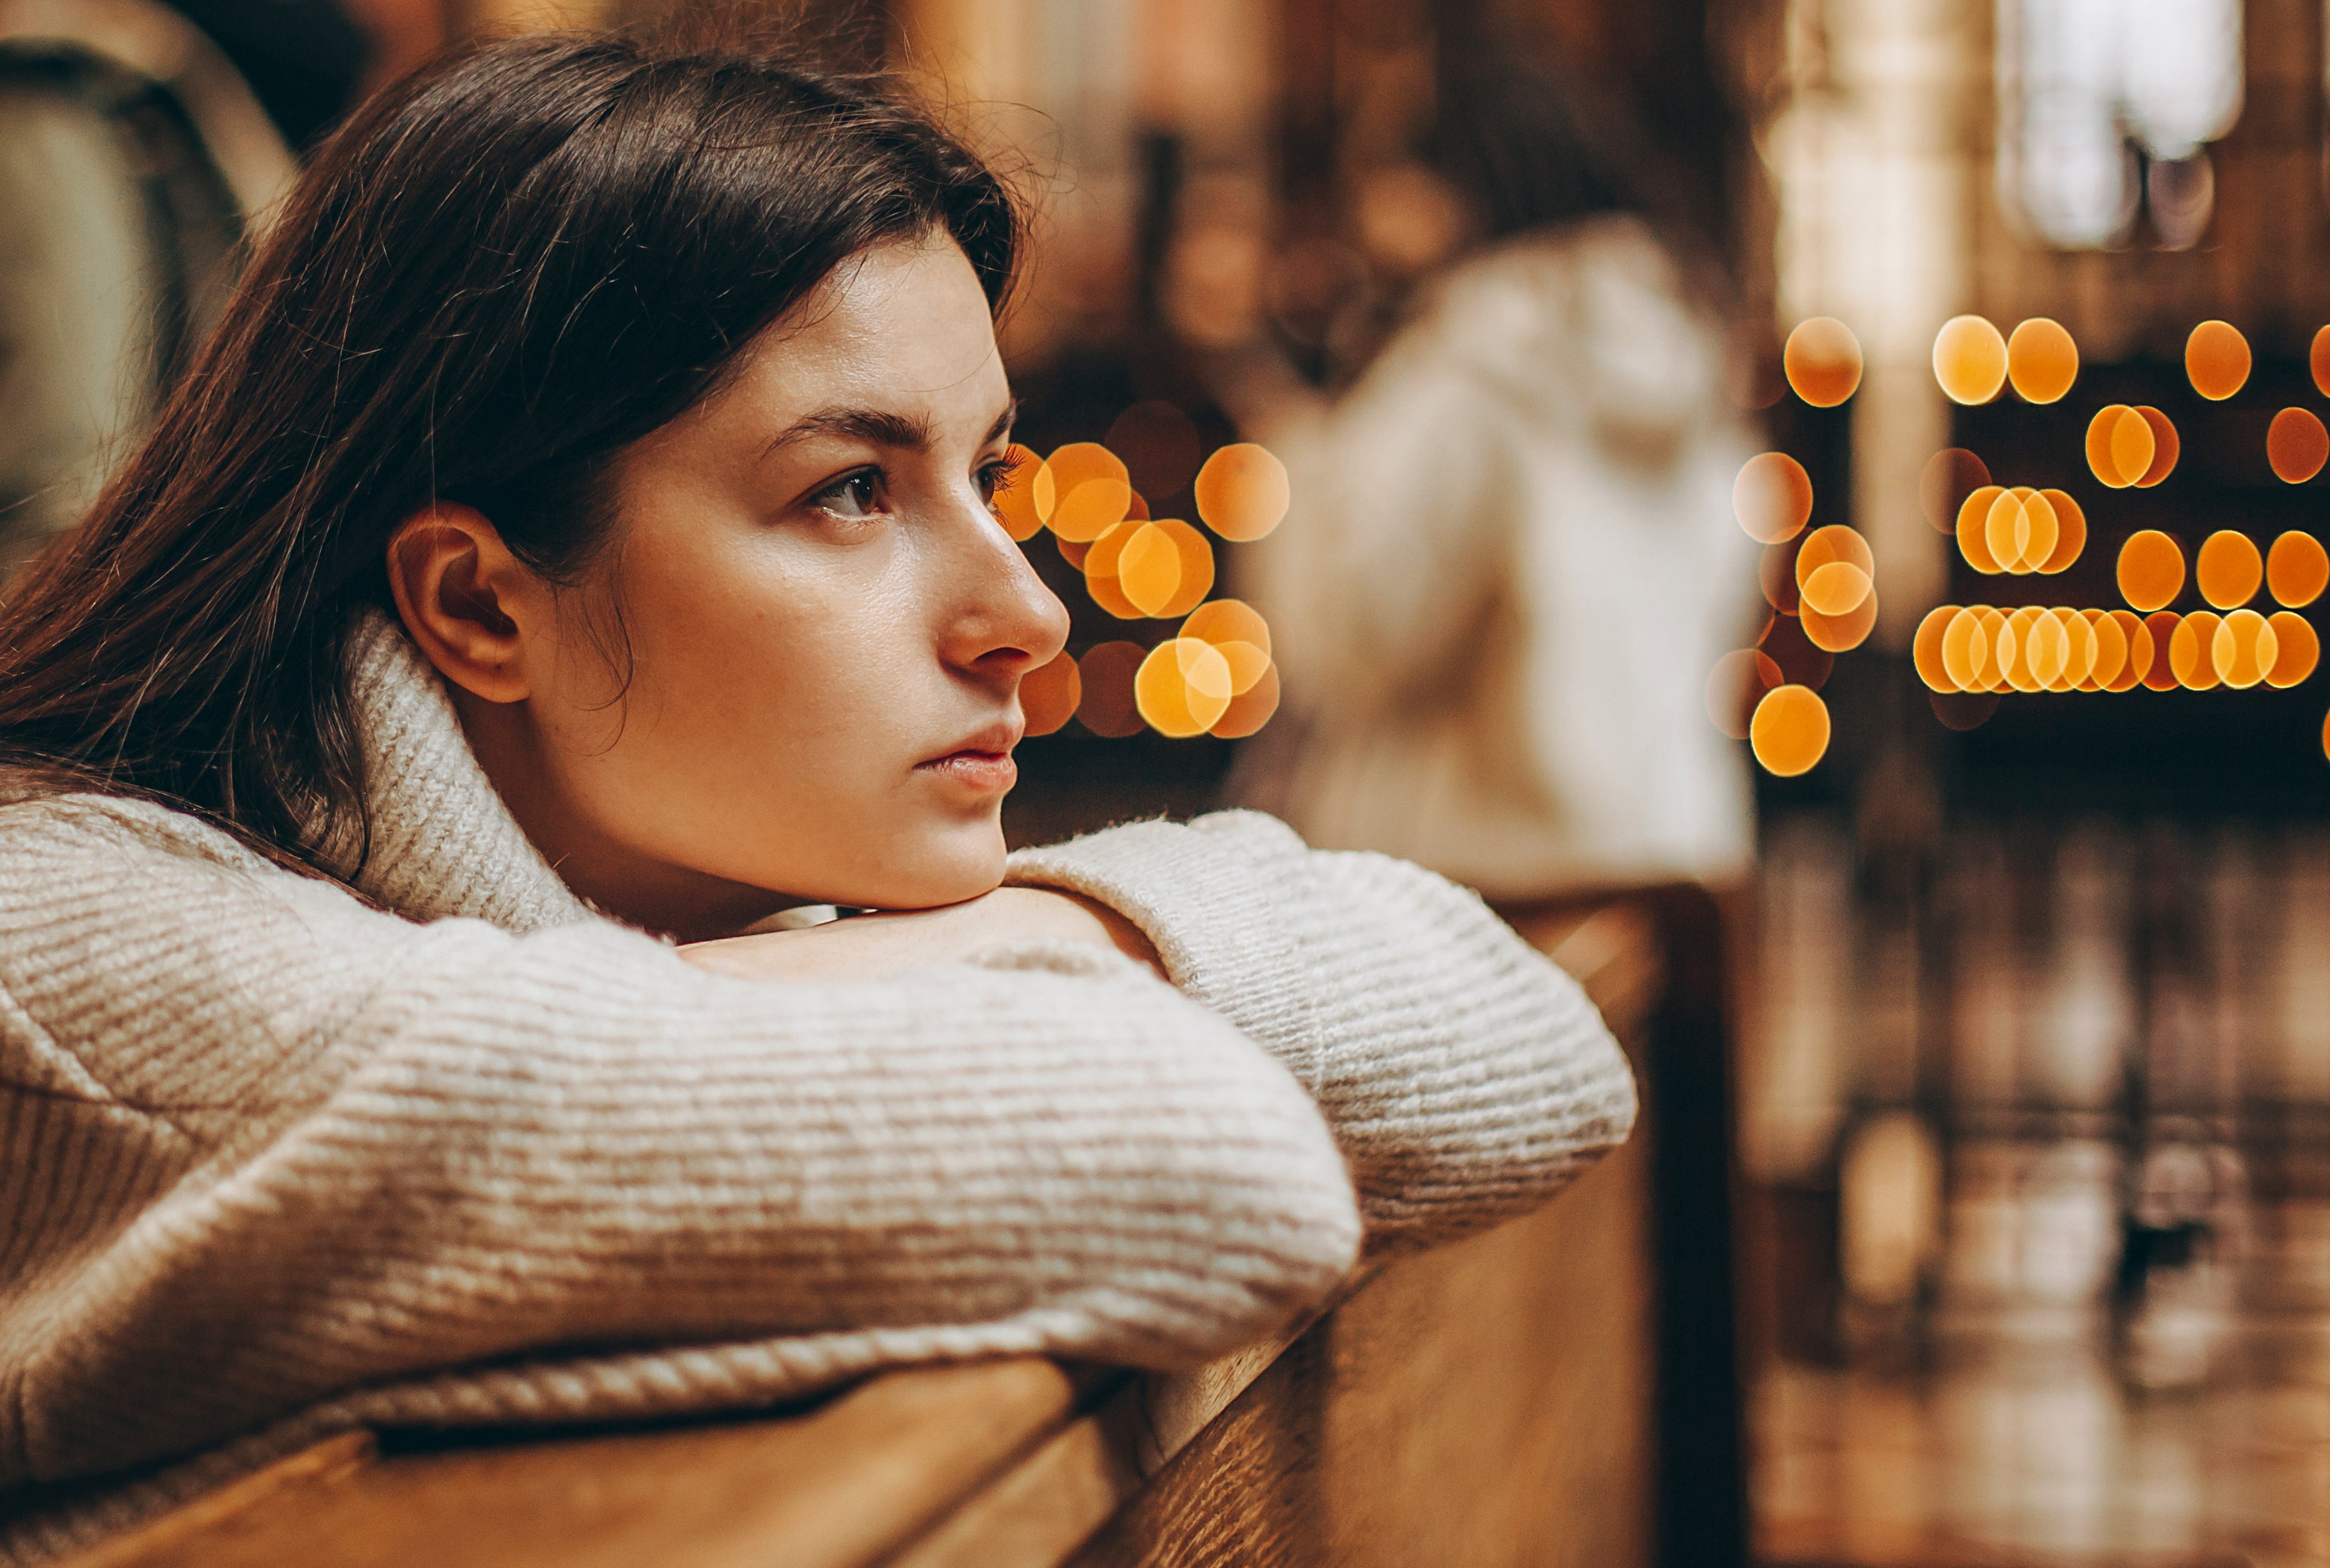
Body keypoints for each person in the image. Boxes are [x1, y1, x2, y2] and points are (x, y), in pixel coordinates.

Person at [0, 31, 1635, 1563]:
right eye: (849, 491)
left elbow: (1529, 1042)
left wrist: (839, 961)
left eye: (984, 475)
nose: (1029, 614)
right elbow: (1218, 1163)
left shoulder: (679, 877)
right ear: (482, 605)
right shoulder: (69, 963)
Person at [1220, 17, 1761, 900]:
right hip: (1672, 859)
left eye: (1381, 175)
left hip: (1479, 883)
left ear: (1448, 185)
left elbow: (1350, 640)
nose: (1363, 216)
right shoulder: (1684, 347)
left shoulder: (1470, 375)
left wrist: (1300, 444)